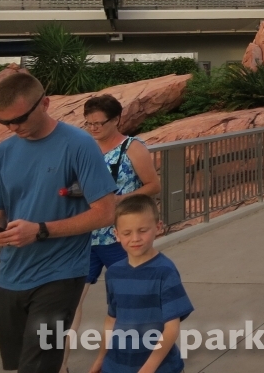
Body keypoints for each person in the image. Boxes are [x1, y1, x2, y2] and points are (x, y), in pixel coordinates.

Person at [0, 71, 117, 373]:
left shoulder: (79, 145)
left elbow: (105, 212)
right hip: (10, 276)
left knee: (37, 367)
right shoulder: (2, 153)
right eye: (3, 121)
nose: (13, 127)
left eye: (20, 118)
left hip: (59, 275)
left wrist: (41, 231)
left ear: (45, 104)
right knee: (18, 366)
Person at [60, 95, 161, 373]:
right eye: (88, 123)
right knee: (69, 303)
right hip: (85, 237)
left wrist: (121, 200)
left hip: (121, 238)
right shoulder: (83, 148)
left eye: (99, 123)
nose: (93, 128)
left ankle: (118, 362)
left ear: (116, 119)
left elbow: (153, 185)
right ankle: (61, 364)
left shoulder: (132, 147)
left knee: (127, 303)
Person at [89, 195, 193, 373]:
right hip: (116, 366)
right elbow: (111, 319)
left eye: (142, 230)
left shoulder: (165, 271)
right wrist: (100, 359)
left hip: (160, 368)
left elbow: (171, 328)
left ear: (158, 227)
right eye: (127, 233)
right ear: (117, 235)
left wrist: (149, 368)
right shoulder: (113, 273)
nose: (135, 238)